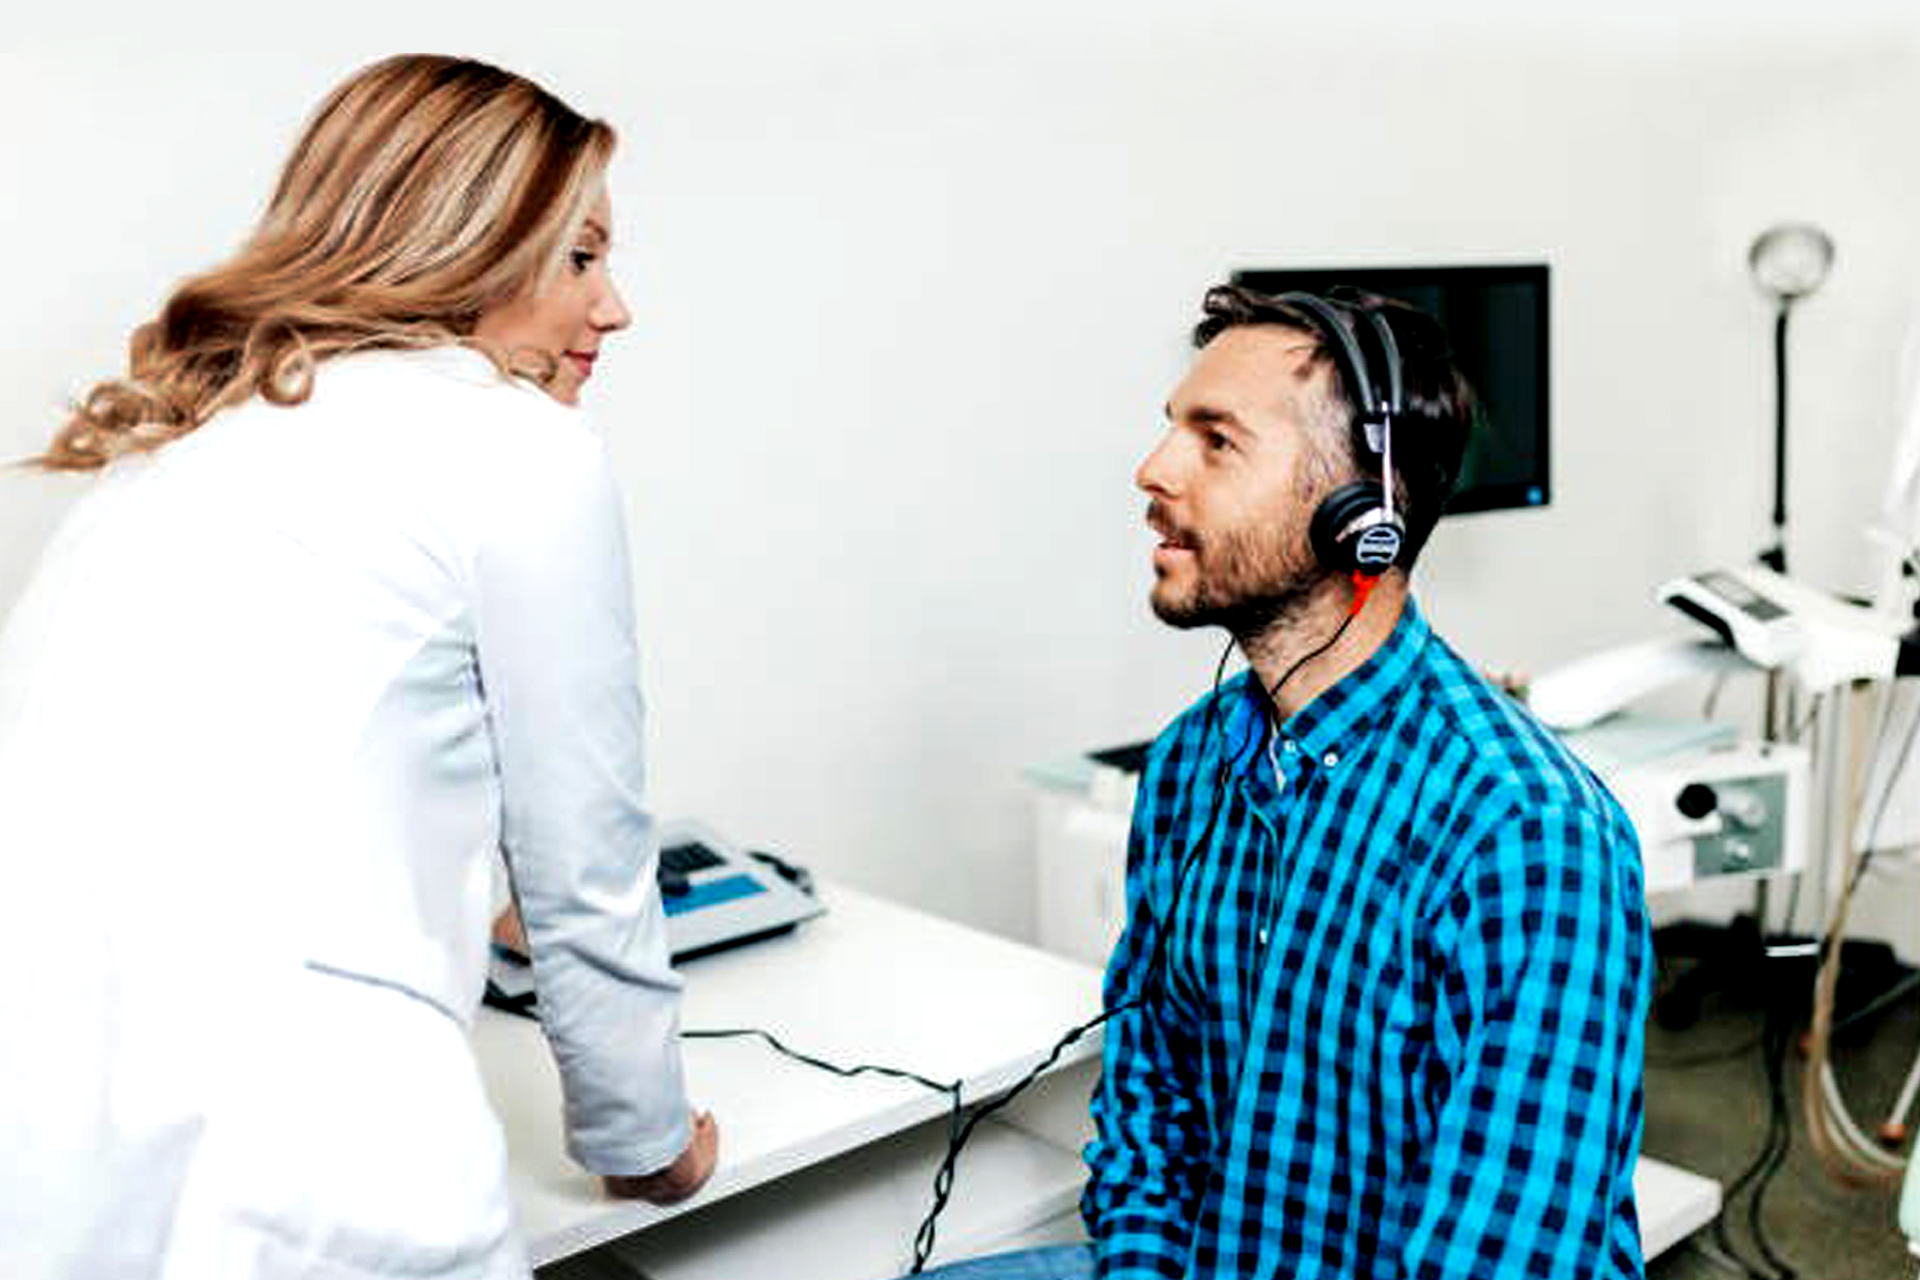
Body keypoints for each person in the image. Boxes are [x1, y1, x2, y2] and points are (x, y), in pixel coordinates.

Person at [0, 54, 716, 1280]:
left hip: (57, 1143)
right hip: (309, 1140)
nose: (615, 308)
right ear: (472, 248)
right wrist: (646, 1139)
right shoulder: (515, 446)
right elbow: (587, 858)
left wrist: (453, 894)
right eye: (582, 257)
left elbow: (213, 778)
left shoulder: (188, 444)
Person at [918, 285, 1650, 1279]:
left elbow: (1500, 1258)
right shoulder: (1190, 763)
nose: (1153, 469)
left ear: (1360, 508)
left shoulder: (1526, 834)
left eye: (1216, 441)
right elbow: (1150, 1099)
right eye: (1173, 427)